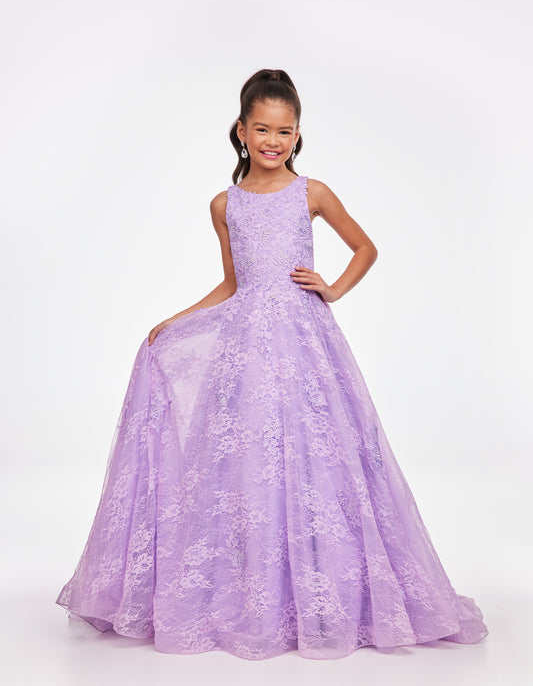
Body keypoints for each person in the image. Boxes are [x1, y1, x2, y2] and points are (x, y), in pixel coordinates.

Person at [56, 68, 488, 660]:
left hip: (305, 344)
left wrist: (333, 288)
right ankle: (254, 590)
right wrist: (175, 321)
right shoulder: (224, 204)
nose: (273, 141)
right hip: (245, 350)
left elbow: (366, 247)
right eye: (262, 129)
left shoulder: (311, 193)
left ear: (298, 134)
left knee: (319, 458)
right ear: (241, 130)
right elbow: (233, 284)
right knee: (248, 464)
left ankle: (325, 591)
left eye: (285, 131)